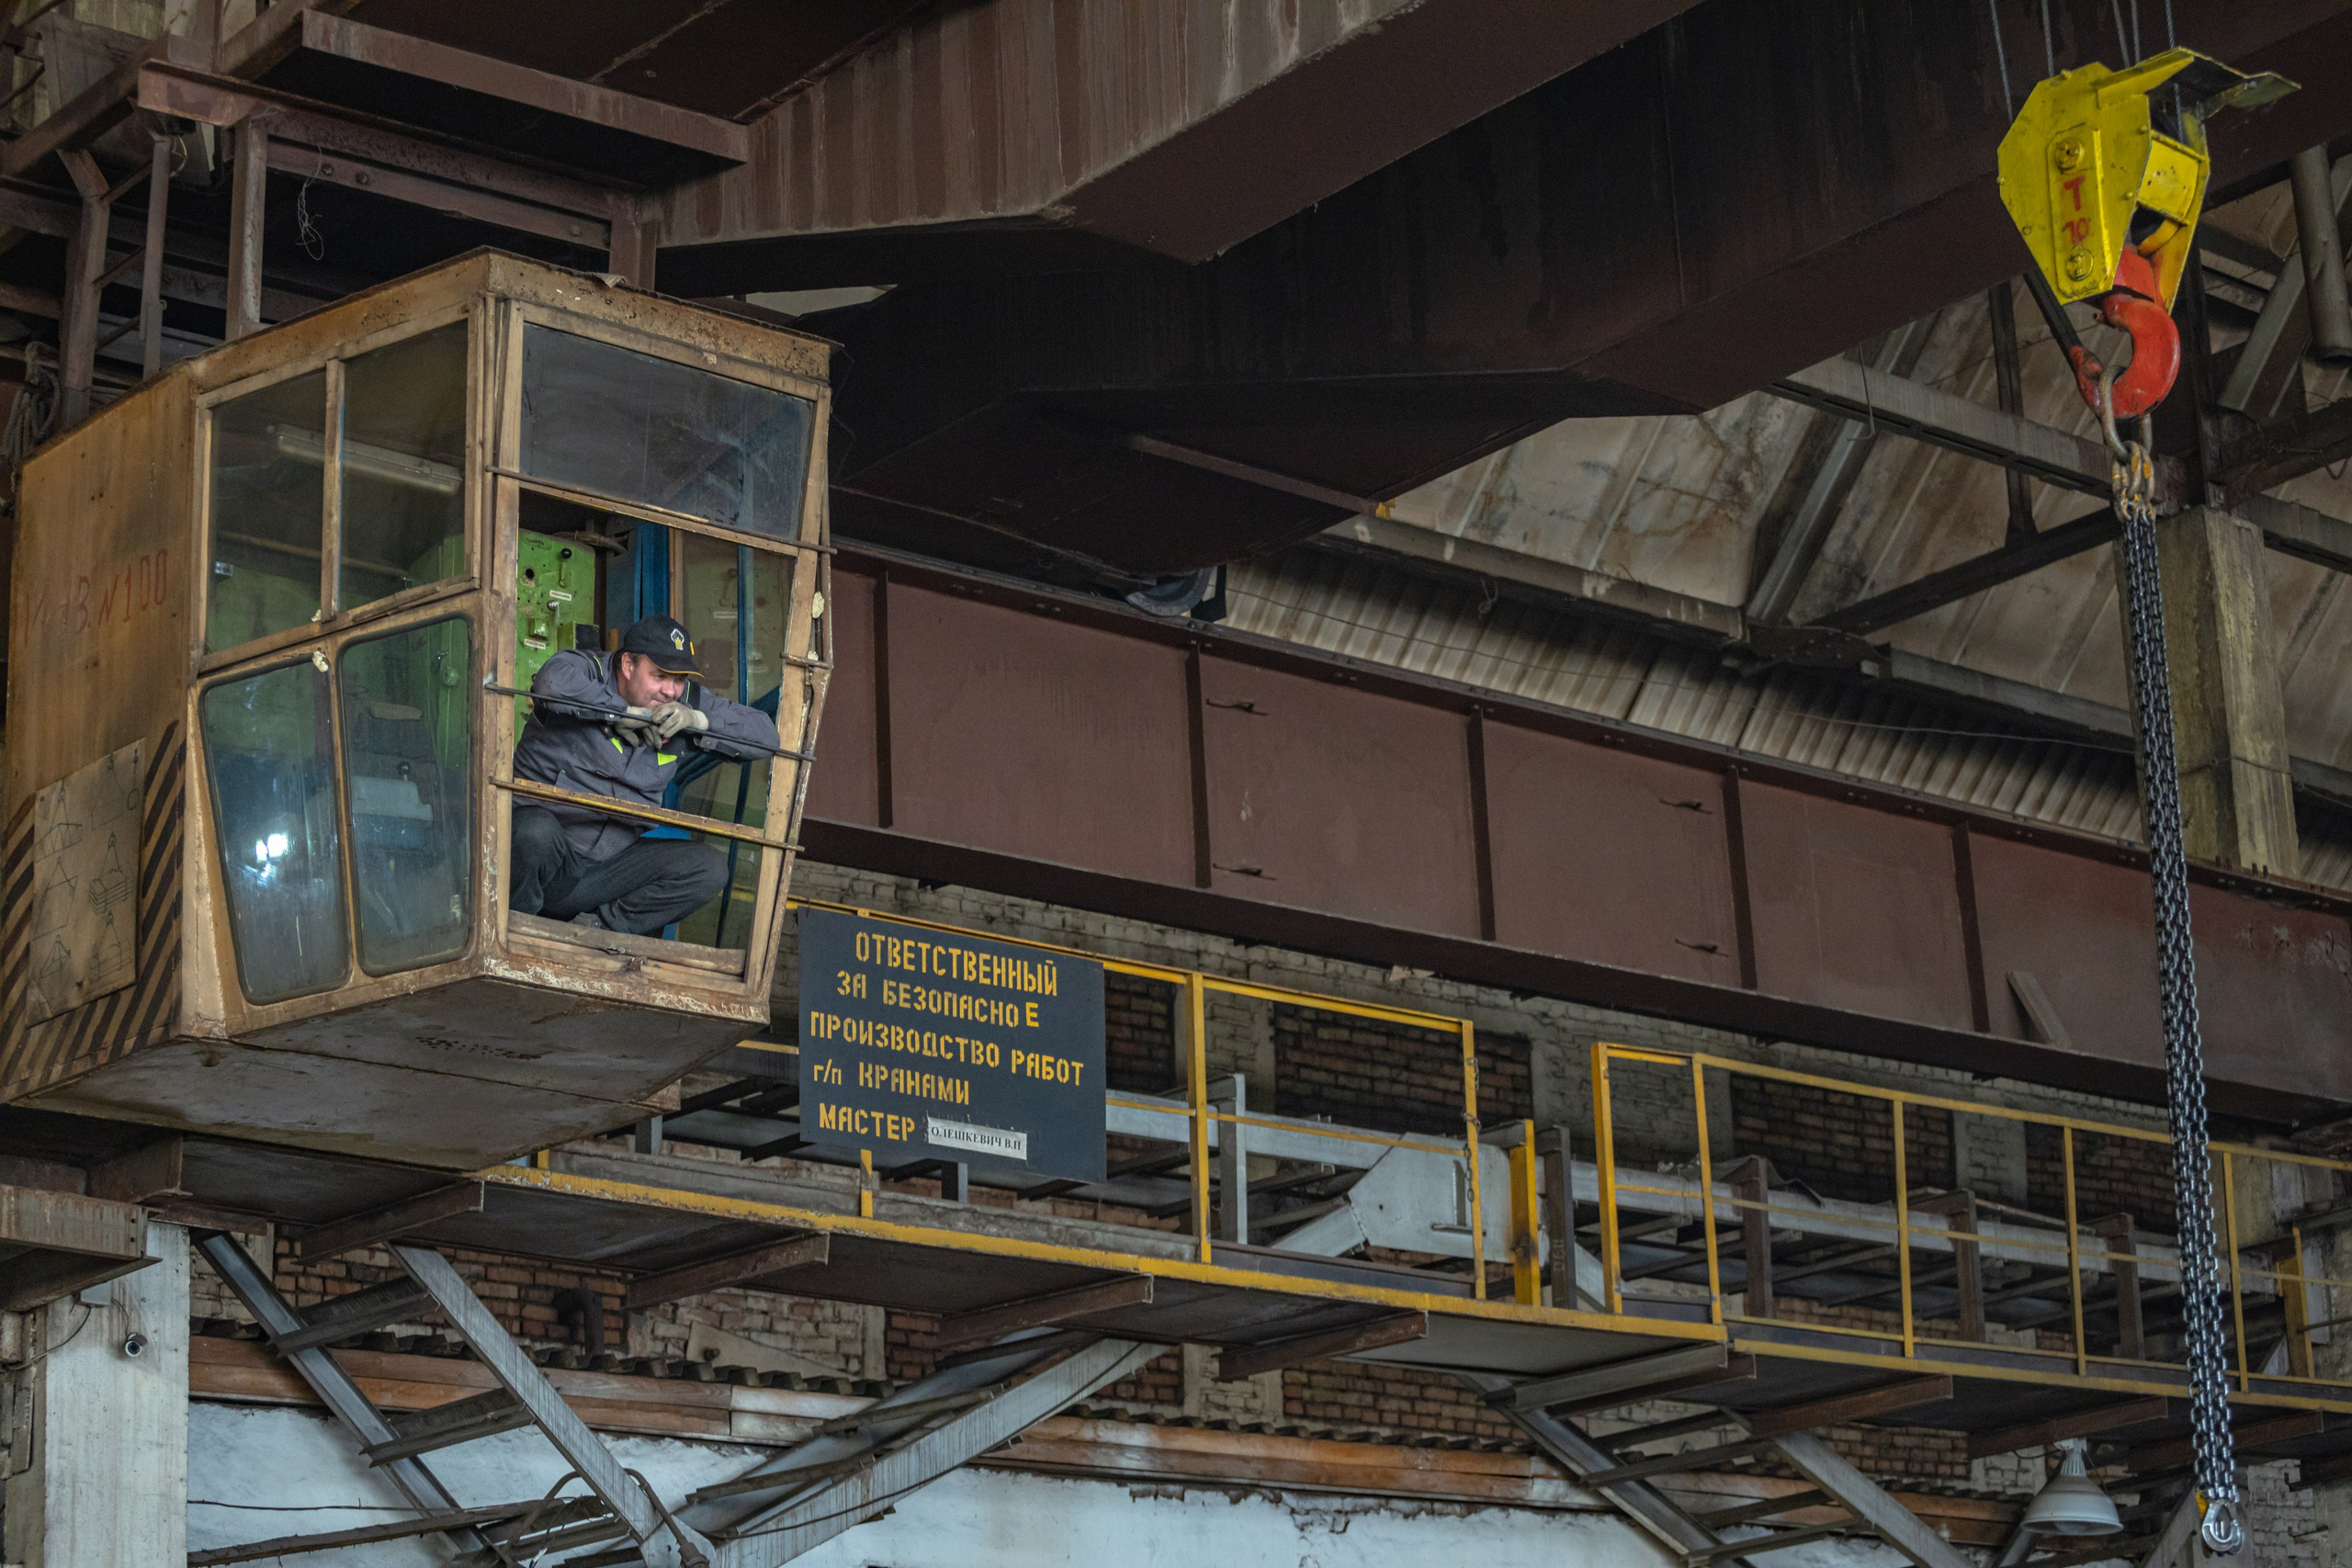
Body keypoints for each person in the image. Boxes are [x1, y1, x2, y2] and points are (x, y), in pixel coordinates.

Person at [510, 614, 779, 936]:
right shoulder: (588, 670)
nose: (670, 691)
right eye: (660, 676)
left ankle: (593, 933)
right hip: (536, 860)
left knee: (708, 869)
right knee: (535, 831)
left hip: (603, 873)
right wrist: (619, 712)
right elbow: (551, 682)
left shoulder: (686, 703)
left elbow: (766, 736)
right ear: (627, 665)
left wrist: (698, 720)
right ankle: (514, 931)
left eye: (679, 679)